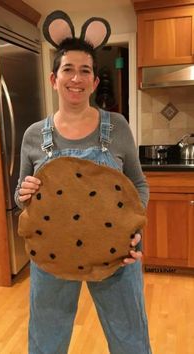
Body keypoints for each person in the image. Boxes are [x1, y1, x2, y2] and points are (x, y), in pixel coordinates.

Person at [15, 10, 152, 354]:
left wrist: (133, 233)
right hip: (51, 253)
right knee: (46, 338)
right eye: (67, 69)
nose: (76, 78)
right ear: (53, 79)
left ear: (93, 82)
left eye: (85, 70)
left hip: (114, 254)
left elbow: (138, 185)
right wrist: (24, 193)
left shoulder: (116, 126)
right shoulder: (34, 135)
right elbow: (21, 195)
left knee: (129, 337)